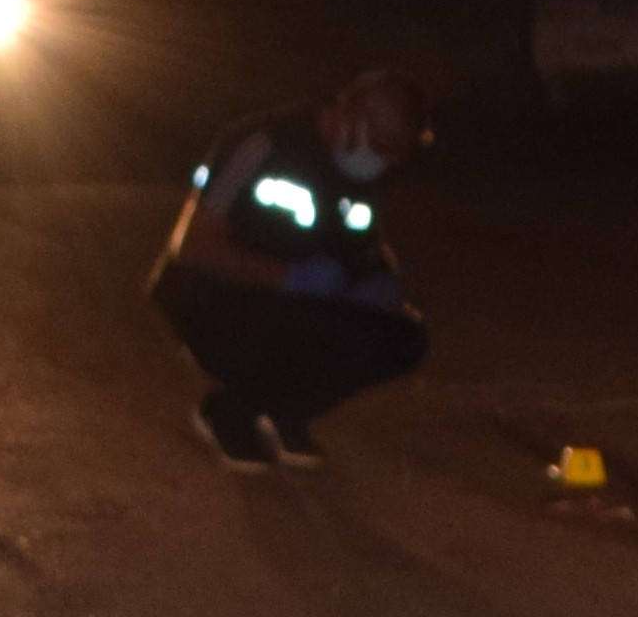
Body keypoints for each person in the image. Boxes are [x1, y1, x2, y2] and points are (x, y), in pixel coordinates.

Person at [151, 68, 429, 470]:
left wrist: (383, 282)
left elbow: (363, 250)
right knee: (303, 322)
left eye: (395, 155)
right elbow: (190, 247)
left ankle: (285, 410)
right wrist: (285, 278)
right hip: (214, 297)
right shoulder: (262, 144)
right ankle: (231, 411)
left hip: (295, 305)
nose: (383, 162)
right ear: (350, 115)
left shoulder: (357, 178)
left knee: (402, 336)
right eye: (382, 145)